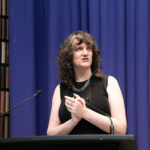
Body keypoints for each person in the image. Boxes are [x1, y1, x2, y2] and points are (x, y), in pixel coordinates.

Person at [47, 31, 127, 135]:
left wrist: (85, 113)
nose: (85, 53)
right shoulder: (60, 89)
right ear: (69, 55)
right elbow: (51, 133)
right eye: (79, 49)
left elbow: (121, 129)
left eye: (89, 48)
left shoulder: (109, 82)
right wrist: (73, 121)